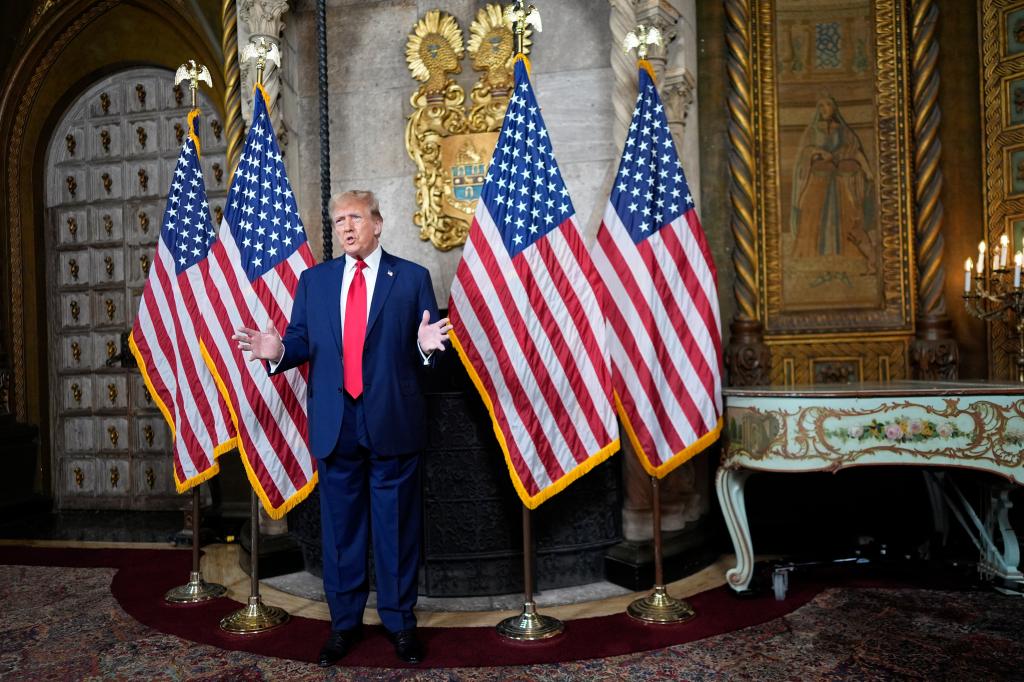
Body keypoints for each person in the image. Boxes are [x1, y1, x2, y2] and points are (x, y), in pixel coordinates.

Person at [233, 190, 451, 666]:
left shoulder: (412, 278)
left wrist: (428, 347)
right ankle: (344, 625)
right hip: (337, 424)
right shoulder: (315, 282)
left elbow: (426, 353)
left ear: (377, 223)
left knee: (396, 531)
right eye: (337, 221)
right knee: (341, 532)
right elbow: (300, 341)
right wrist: (278, 353)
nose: (345, 227)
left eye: (354, 217)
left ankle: (400, 624)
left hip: (392, 421)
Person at [789, 94, 876, 272]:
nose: (824, 109)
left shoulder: (844, 131)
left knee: (849, 210)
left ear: (834, 108)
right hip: (818, 181)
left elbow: (855, 151)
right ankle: (810, 253)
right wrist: (817, 151)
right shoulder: (812, 131)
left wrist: (867, 171)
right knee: (812, 210)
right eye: (821, 106)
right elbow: (804, 154)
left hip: (840, 182)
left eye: (828, 105)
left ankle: (849, 252)